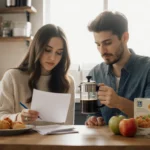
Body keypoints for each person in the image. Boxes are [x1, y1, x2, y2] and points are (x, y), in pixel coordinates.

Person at [0, 24, 75, 125]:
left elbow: (68, 124)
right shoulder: (12, 77)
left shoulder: (67, 82)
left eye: (59, 53)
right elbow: (1, 115)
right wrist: (18, 117)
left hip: (56, 140)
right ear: (36, 48)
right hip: (20, 140)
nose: (52, 58)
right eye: (47, 50)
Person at [85, 10, 150, 126]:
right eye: (98, 44)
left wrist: (118, 102)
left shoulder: (147, 69)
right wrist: (94, 119)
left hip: (142, 143)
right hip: (107, 143)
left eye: (108, 43)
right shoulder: (95, 74)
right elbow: (94, 114)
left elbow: (148, 116)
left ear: (125, 37)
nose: (102, 51)